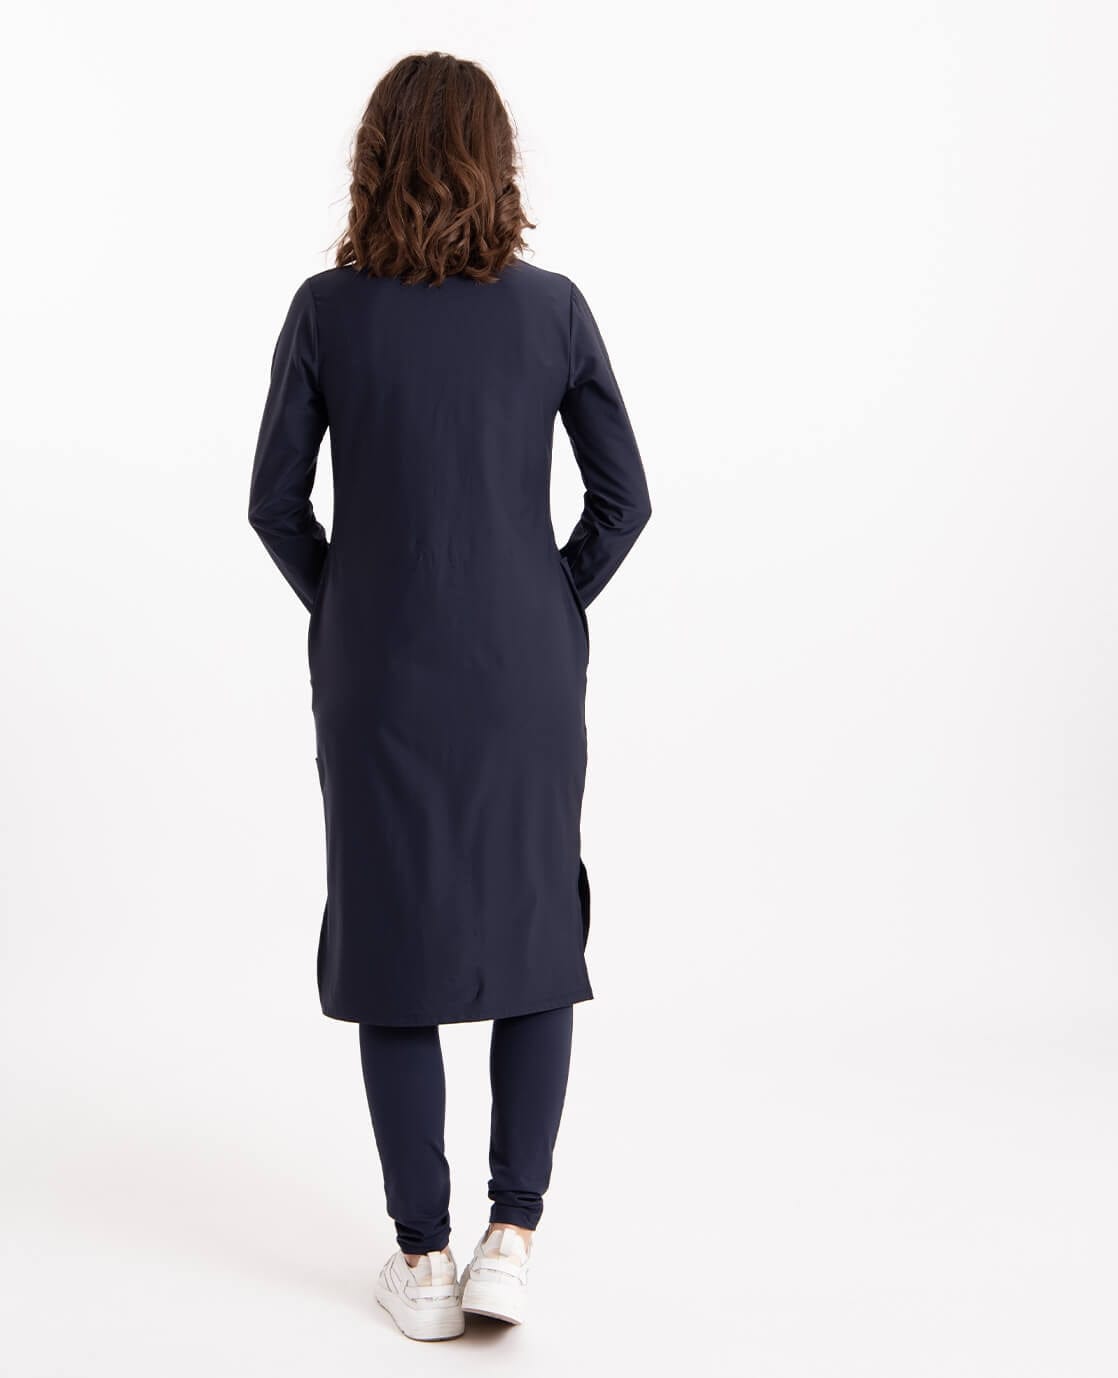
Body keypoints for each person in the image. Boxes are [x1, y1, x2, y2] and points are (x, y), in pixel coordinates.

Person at [247, 51, 651, 1342]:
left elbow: (273, 504)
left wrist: (352, 600)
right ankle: (510, 1239)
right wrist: (547, 598)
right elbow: (624, 499)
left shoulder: (327, 312)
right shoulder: (551, 311)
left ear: (373, 162)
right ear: (497, 162)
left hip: (378, 668)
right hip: (525, 665)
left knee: (395, 937)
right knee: (535, 929)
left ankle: (422, 1261)